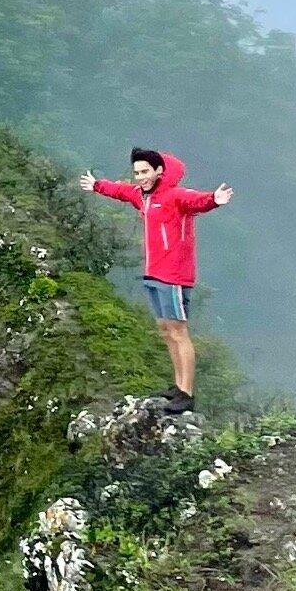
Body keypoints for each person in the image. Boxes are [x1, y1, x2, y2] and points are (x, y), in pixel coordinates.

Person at [77, 147, 231, 405]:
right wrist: (96, 185)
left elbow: (197, 201)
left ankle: (187, 392)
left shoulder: (174, 195)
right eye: (137, 172)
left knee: (179, 330)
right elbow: (121, 191)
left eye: (145, 171)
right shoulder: (142, 197)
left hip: (174, 275)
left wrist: (214, 198)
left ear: (159, 171)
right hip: (154, 272)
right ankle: (178, 386)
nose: (140, 177)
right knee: (166, 330)